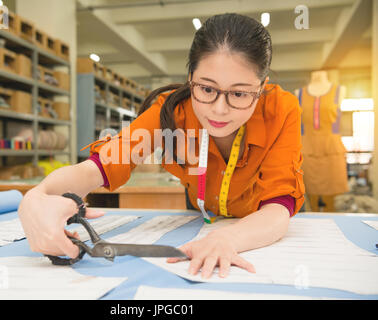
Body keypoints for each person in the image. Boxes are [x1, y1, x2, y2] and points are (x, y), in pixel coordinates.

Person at [18, 13, 305, 279]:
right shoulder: (172, 110)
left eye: (240, 93)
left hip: (262, 227)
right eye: (206, 89)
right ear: (190, 77)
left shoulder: (282, 110)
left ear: (263, 86)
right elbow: (100, 165)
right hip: (202, 216)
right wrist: (38, 196)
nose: (219, 109)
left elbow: (278, 208)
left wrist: (227, 238)